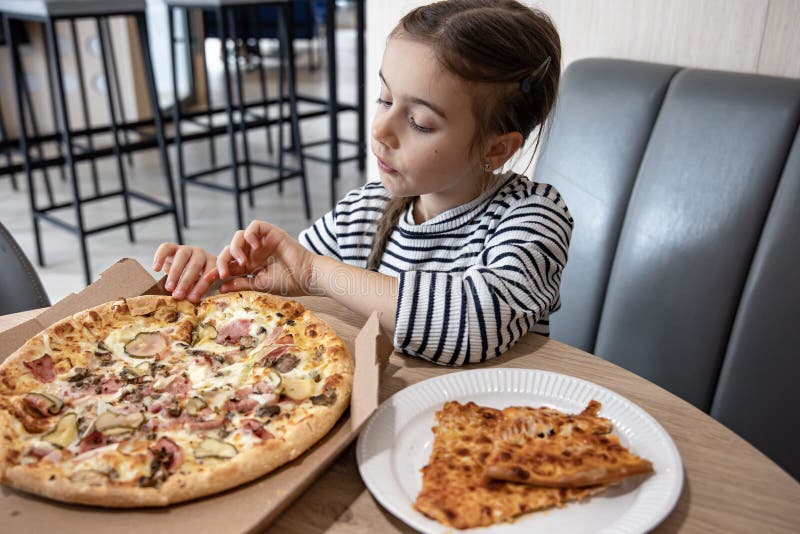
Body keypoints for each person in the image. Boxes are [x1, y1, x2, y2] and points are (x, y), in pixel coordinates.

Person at [152, 0, 570, 366]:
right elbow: (287, 287)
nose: (381, 129)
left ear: (495, 150)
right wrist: (217, 278)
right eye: (385, 99)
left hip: (483, 436)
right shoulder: (364, 210)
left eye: (419, 122)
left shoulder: (534, 216)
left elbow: (472, 325)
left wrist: (315, 272)